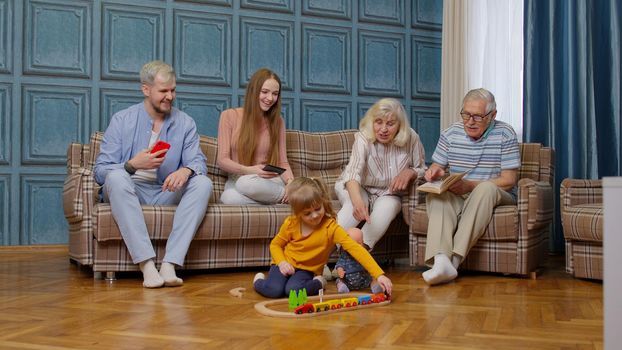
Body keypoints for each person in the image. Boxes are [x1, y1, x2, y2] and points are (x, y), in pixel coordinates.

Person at [94, 61, 213, 288]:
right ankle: (147, 265)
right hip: (130, 190)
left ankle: (169, 263)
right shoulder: (122, 120)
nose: (170, 96)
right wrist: (131, 165)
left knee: (203, 183)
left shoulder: (185, 123)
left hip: (165, 191)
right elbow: (100, 172)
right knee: (116, 177)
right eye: (163, 91)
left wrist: (185, 170)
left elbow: (198, 161)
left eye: (173, 90)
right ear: (146, 89)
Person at [422, 88, 520, 286]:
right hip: (460, 193)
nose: (470, 121)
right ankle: (441, 261)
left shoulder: (505, 133)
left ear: (493, 116)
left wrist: (470, 186)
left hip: (497, 195)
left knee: (485, 189)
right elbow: (436, 166)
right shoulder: (450, 134)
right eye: (466, 114)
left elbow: (509, 180)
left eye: (477, 116)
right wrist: (434, 173)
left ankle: (453, 262)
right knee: (437, 196)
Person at [253, 177, 393, 298]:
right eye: (307, 213)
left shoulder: (330, 227)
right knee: (274, 291)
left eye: (318, 209)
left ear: (323, 203)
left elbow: (355, 249)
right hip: (283, 264)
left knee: (292, 291)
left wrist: (379, 274)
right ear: (298, 213)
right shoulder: (291, 223)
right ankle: (258, 280)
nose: (314, 215)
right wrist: (282, 262)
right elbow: (275, 245)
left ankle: (319, 282)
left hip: (306, 270)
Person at [335, 98, 426, 250]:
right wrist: (357, 201)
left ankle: (356, 256)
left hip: (389, 192)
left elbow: (422, 168)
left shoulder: (411, 137)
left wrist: (411, 172)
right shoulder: (363, 137)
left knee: (388, 208)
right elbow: (352, 172)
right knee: (353, 206)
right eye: (378, 122)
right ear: (372, 122)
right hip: (359, 186)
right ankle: (318, 253)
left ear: (399, 125)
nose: (383, 129)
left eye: (390, 124)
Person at [217, 68, 294, 204]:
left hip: (267, 183)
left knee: (245, 183)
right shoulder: (229, 116)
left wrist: (291, 183)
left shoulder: (278, 121)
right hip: (238, 180)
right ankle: (284, 202)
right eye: (264, 92)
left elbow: (283, 162)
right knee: (228, 198)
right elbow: (222, 160)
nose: (270, 98)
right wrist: (248, 170)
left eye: (275, 94)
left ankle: (291, 195)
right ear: (253, 91)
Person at [334, 229, 384, 294]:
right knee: (339, 281)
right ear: (345, 246)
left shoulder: (364, 253)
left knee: (373, 278)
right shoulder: (344, 256)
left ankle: (375, 287)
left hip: (364, 280)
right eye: (354, 244)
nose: (358, 246)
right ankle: (342, 287)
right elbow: (339, 264)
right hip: (348, 282)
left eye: (360, 243)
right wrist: (340, 270)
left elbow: (370, 263)